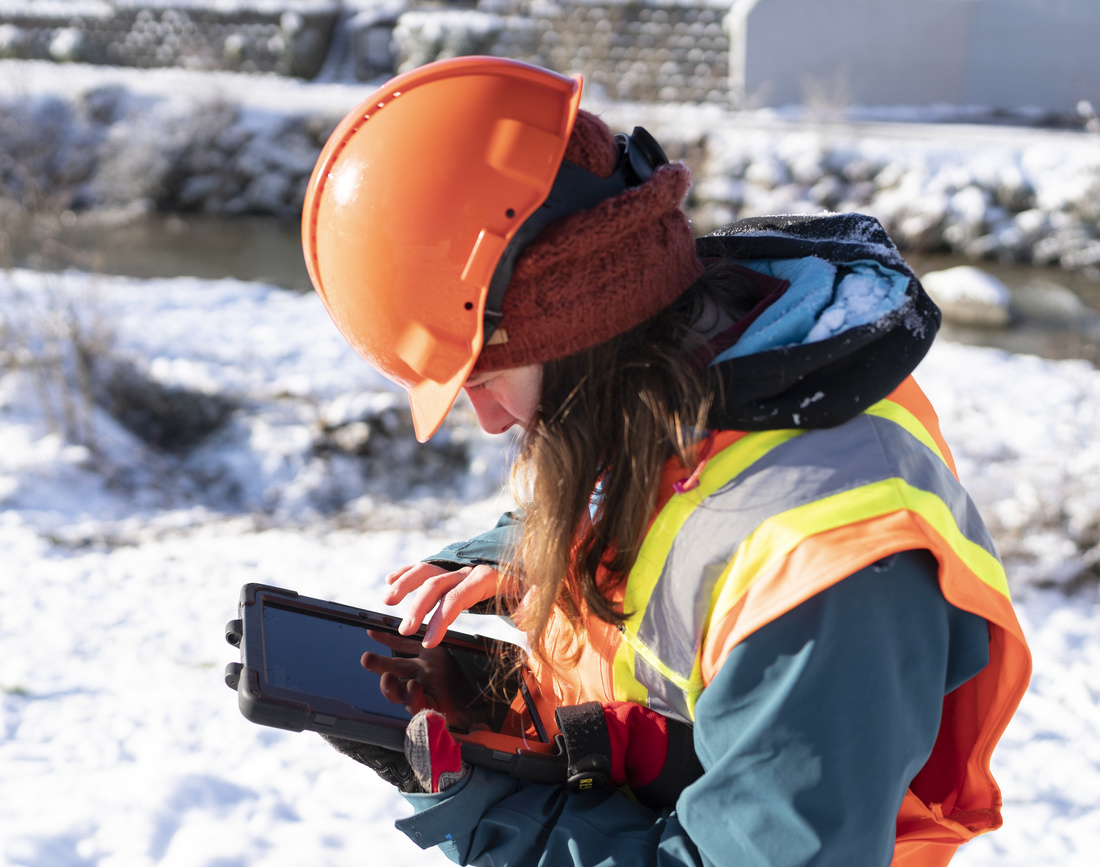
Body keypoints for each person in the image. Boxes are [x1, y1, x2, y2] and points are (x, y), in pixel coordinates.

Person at [302, 56, 1031, 867]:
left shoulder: (824, 573)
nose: (485, 417)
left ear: (575, 323)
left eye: (485, 376)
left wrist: (489, 813)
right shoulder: (679, 378)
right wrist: (532, 556)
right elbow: (676, 513)